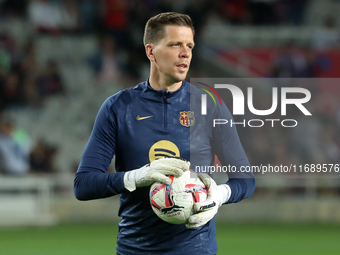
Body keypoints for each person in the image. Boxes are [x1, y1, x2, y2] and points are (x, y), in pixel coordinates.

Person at [74, 12, 255, 255]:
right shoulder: (118, 108)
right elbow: (84, 185)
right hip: (135, 249)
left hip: (196, 249)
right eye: (175, 44)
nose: (186, 53)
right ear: (151, 52)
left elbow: (246, 179)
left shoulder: (209, 105)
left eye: (189, 45)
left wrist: (219, 195)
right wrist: (137, 177)